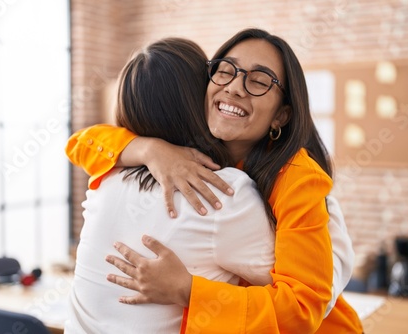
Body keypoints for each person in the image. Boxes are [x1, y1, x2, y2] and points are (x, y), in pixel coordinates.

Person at [67, 29, 363, 333]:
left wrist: (188, 290)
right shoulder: (188, 160)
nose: (235, 87)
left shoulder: (294, 180)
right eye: (225, 71)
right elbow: (80, 143)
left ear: (281, 116)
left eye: (259, 81)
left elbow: (306, 306)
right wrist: (149, 148)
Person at [64, 37, 278, 333]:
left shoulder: (105, 178)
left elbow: (80, 143)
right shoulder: (223, 191)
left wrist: (146, 148)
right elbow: (287, 291)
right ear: (195, 99)